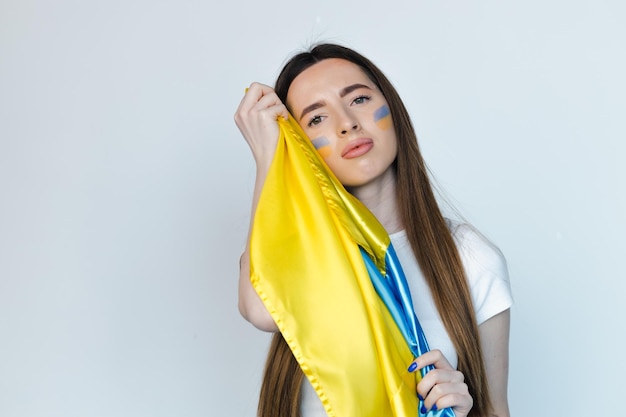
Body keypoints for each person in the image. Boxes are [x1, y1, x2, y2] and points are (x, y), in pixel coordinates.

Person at [234, 43, 513, 417]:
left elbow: (496, 410)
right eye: (316, 119)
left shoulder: (470, 257)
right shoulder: (301, 255)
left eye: (360, 99)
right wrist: (270, 155)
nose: (347, 123)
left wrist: (462, 410)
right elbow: (258, 310)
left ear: (393, 109)